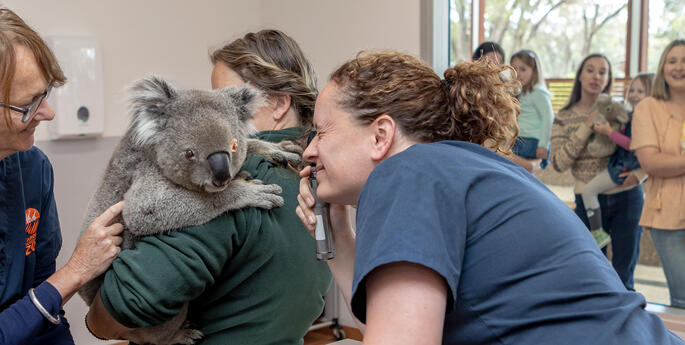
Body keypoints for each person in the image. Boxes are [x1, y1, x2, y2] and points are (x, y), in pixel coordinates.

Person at [295, 50, 683, 344]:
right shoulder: (462, 167)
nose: (309, 152)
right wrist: (339, 234)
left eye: (321, 132)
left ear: (381, 136)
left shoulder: (408, 172)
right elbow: (394, 323)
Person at [85, 29, 332, 344]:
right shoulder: (315, 179)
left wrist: (95, 323)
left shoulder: (235, 186)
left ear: (279, 104)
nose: (215, 107)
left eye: (225, 94)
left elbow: (129, 302)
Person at [0, 7, 124, 345]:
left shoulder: (34, 169)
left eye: (45, 95)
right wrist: (77, 271)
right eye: (28, 104)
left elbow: (42, 298)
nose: (48, 113)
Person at [550, 53, 646, 291]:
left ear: (608, 79)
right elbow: (559, 163)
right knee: (591, 276)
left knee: (625, 278)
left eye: (602, 72)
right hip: (589, 202)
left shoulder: (622, 112)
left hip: (628, 197)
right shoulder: (564, 116)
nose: (596, 76)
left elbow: (642, 145)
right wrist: (586, 126)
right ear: (580, 75)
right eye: (590, 70)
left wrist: (641, 174)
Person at [631, 39, 685, 308]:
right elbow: (651, 162)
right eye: (672, 60)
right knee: (684, 299)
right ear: (663, 66)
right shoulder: (648, 108)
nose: (679, 67)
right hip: (668, 215)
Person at [579, 73, 653, 249]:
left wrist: (608, 132)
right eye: (632, 90)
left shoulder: (642, 118)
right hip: (621, 165)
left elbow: (635, 145)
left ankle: (597, 232)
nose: (634, 94)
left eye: (640, 91)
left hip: (622, 167)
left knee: (588, 191)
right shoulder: (632, 114)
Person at [509, 49, 554, 172]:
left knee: (506, 159)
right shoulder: (522, 92)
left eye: (523, 69)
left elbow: (548, 118)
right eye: (514, 69)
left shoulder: (538, 92)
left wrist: (543, 146)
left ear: (534, 72)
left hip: (532, 141)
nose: (517, 74)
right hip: (522, 139)